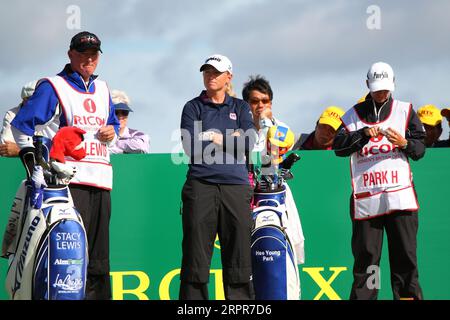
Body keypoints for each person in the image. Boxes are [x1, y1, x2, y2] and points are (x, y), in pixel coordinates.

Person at [11, 31, 120, 300]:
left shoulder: (104, 88)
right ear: (70, 54)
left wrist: (111, 132)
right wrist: (37, 162)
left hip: (101, 182)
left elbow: (113, 126)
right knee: (68, 257)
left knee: (98, 260)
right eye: (83, 54)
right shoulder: (53, 86)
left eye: (93, 55)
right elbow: (21, 125)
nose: (89, 59)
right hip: (67, 185)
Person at [333, 62, 426, 300]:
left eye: (385, 88)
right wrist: (362, 134)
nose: (381, 93)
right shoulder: (352, 115)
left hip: (400, 197)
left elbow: (419, 148)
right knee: (367, 262)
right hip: (367, 201)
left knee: (405, 258)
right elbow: (339, 148)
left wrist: (403, 143)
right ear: (367, 85)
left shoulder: (405, 111)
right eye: (376, 88)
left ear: (393, 84)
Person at [179, 54, 257, 300]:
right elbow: (191, 146)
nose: (210, 76)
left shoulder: (240, 107)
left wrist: (214, 137)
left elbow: (250, 142)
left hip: (236, 188)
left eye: (216, 72)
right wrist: (232, 139)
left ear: (228, 77)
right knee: (195, 257)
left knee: (239, 258)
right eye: (207, 72)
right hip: (201, 186)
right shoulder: (193, 107)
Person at [242, 75, 305, 267]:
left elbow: (274, 159)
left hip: (276, 196)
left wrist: (268, 128)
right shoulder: (238, 131)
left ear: (271, 102)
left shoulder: (283, 129)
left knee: (284, 246)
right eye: (254, 101)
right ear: (246, 104)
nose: (260, 106)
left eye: (265, 101)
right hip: (247, 195)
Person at [0, 80, 37, 157]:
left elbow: (53, 150)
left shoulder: (54, 113)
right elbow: (6, 147)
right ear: (24, 100)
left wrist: (19, 150)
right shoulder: (12, 114)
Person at [109, 89, 150, 154]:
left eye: (124, 112)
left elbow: (142, 146)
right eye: (116, 112)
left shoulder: (136, 135)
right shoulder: (101, 133)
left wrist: (112, 145)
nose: (120, 116)